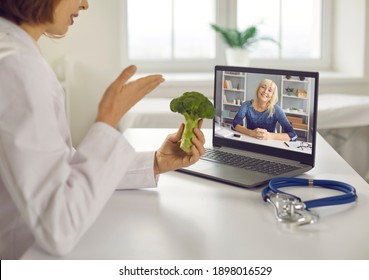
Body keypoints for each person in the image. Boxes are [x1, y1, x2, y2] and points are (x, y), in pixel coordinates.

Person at [0, 0, 206, 259]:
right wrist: (107, 120)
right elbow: (59, 225)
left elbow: (60, 168)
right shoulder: (18, 66)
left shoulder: (16, 52)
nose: (85, 4)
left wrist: (155, 162)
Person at [231, 79, 297, 141]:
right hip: (250, 142)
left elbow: (293, 135)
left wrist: (269, 136)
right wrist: (251, 133)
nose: (265, 91)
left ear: (272, 95)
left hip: (269, 146)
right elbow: (234, 125)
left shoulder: (276, 110)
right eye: (263, 87)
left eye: (269, 90)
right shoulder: (246, 105)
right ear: (258, 89)